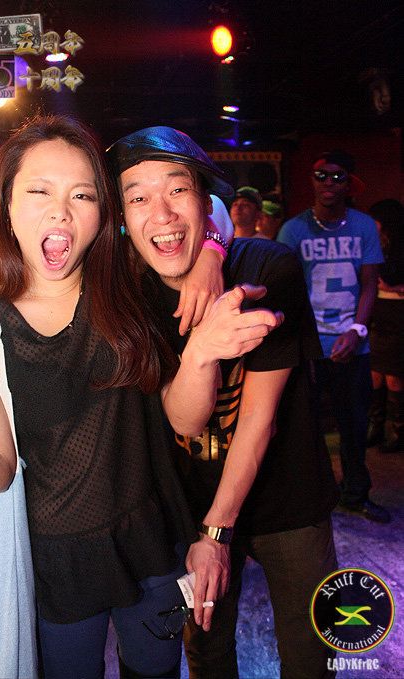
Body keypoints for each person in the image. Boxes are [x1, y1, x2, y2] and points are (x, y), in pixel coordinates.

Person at [0, 113, 281, 679]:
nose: (61, 211)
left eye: (82, 195)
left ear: (103, 212)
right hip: (57, 563)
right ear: (7, 204)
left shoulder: (127, 284)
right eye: (39, 191)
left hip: (151, 543)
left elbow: (185, 417)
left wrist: (205, 320)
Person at [107, 126, 340, 679]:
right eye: (138, 198)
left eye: (177, 190)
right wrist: (202, 349)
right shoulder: (130, 297)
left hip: (288, 501)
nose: (161, 214)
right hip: (191, 505)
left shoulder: (267, 268)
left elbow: (258, 418)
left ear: (203, 200)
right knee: (207, 656)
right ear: (122, 218)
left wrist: (218, 532)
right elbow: (184, 418)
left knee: (312, 657)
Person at [278, 150, 391, 523]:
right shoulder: (293, 230)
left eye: (338, 176)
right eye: (321, 175)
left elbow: (370, 283)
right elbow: (286, 290)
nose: (329, 182)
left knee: (354, 427)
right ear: (311, 180)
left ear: (349, 184)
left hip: (352, 345)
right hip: (310, 347)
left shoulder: (363, 226)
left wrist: (357, 330)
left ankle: (355, 494)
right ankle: (312, 499)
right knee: (304, 428)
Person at [366, 198, 404, 453]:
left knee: (394, 378)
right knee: (375, 376)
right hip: (378, 314)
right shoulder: (376, 244)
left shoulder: (400, 249)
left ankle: (399, 431)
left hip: (397, 316)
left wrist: (393, 288)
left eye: (375, 218)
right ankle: (376, 427)